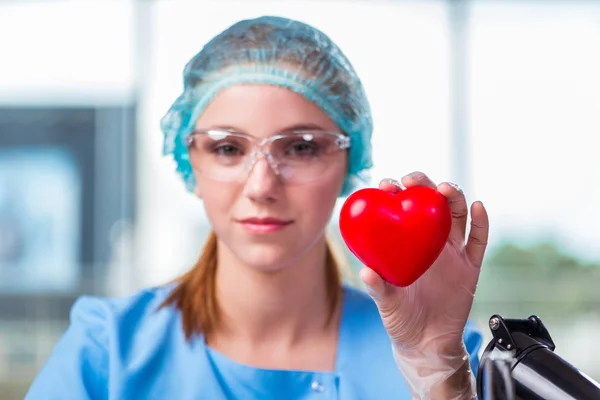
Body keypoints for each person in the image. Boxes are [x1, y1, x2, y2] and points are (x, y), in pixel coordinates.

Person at [26, 16, 489, 400]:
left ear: (351, 161)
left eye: (302, 148)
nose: (263, 185)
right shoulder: (107, 353)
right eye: (228, 148)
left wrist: (438, 375)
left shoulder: (442, 351)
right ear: (190, 162)